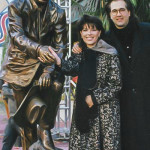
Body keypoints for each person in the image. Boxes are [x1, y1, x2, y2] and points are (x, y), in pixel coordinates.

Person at [73, 0, 150, 150]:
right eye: (114, 11)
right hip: (120, 104)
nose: (118, 14)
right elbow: (88, 48)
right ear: (109, 15)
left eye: (122, 10)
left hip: (146, 99)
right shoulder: (104, 41)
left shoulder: (147, 31)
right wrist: (78, 46)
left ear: (129, 12)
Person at [46, 14, 122, 150]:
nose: (89, 33)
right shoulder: (80, 52)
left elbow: (116, 84)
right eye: (85, 30)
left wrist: (94, 97)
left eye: (93, 29)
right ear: (80, 33)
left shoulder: (110, 53)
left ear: (99, 32)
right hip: (83, 108)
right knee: (83, 144)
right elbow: (70, 68)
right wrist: (58, 61)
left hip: (106, 113)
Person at [0, 0, 67, 149]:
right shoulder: (16, 6)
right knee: (26, 123)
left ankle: (45, 127)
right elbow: (17, 37)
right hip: (20, 66)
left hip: (45, 63)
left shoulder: (58, 12)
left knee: (57, 84)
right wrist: (38, 49)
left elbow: (61, 46)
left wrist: (48, 70)